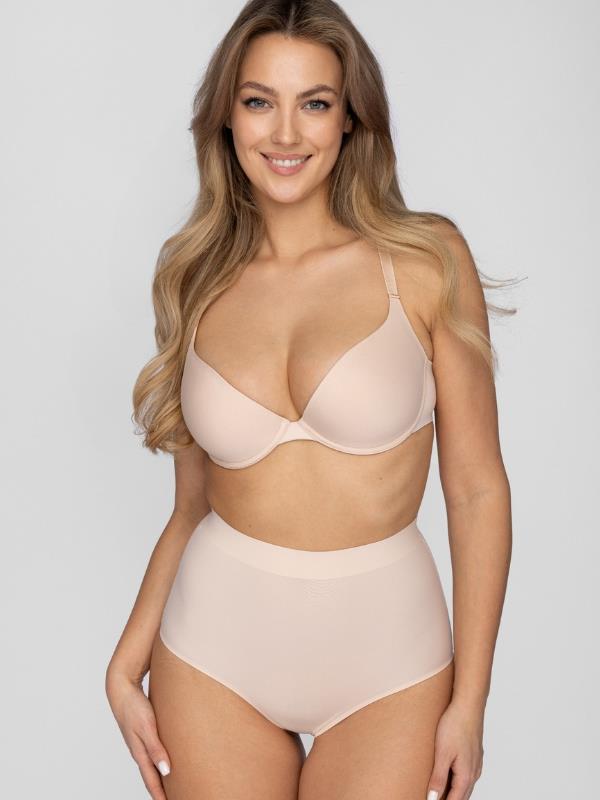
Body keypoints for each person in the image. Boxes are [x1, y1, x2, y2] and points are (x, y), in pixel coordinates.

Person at [105, 1, 514, 798]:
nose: (285, 134)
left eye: (315, 103)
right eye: (260, 101)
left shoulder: (427, 261)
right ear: (227, 117)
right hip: (213, 654)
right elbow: (191, 507)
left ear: (351, 118)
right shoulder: (194, 275)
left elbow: (475, 490)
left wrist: (471, 702)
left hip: (389, 666)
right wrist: (125, 662)